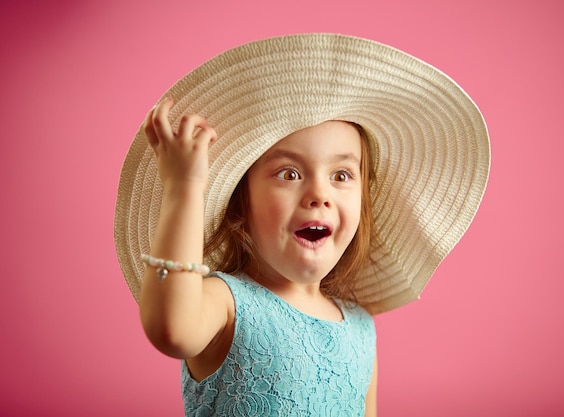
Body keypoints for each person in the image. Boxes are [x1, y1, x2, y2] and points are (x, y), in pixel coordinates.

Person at [115, 33, 490, 417]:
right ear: (241, 201)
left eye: (341, 175)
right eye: (289, 173)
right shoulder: (226, 303)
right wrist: (185, 188)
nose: (319, 194)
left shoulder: (361, 329)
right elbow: (171, 329)